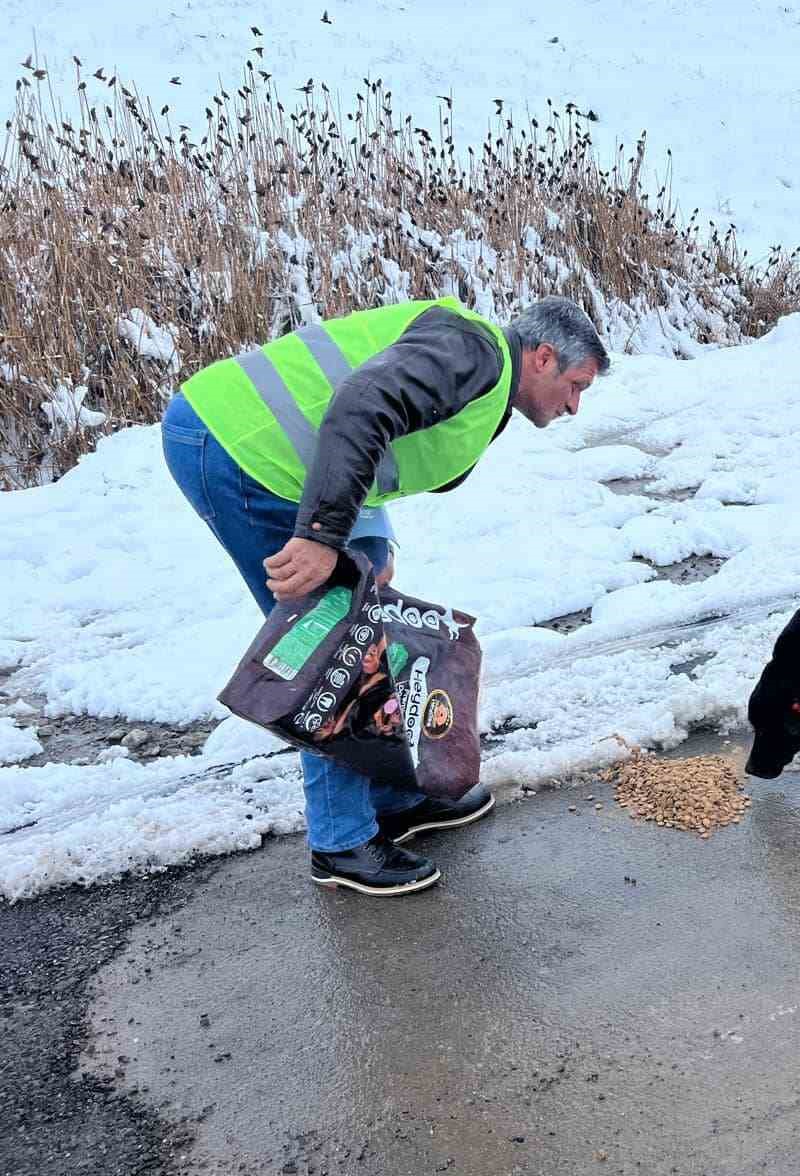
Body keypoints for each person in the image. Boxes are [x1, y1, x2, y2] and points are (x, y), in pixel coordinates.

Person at [162, 296, 609, 896]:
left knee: (361, 621)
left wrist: (369, 535)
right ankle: (341, 843)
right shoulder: (473, 352)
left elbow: (380, 437)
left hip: (274, 456)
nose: (576, 406)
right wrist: (322, 537)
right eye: (576, 385)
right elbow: (361, 407)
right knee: (330, 647)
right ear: (544, 357)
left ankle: (391, 798)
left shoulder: (484, 372)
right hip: (241, 449)